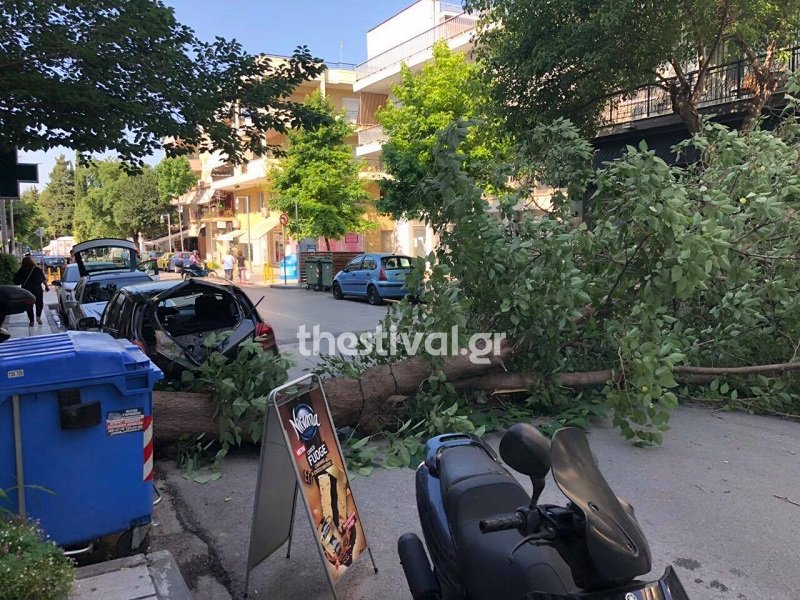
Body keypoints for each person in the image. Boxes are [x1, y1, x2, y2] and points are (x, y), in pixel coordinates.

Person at [13, 256, 49, 326]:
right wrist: (46, 286)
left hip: (26, 290)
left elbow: (16, 281)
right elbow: (43, 279)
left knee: (29, 305)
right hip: (37, 289)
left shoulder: (22, 270)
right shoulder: (37, 269)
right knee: (39, 303)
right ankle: (38, 316)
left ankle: (31, 321)